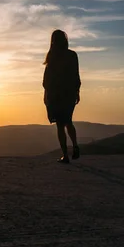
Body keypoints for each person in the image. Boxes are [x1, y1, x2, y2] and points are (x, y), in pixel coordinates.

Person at [43, 30, 81, 164]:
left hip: (56, 94)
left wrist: (46, 95)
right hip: (69, 93)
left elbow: (47, 79)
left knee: (60, 125)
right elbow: (76, 75)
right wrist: (77, 92)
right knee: (68, 121)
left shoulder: (52, 56)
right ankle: (75, 145)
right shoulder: (72, 55)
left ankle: (65, 155)